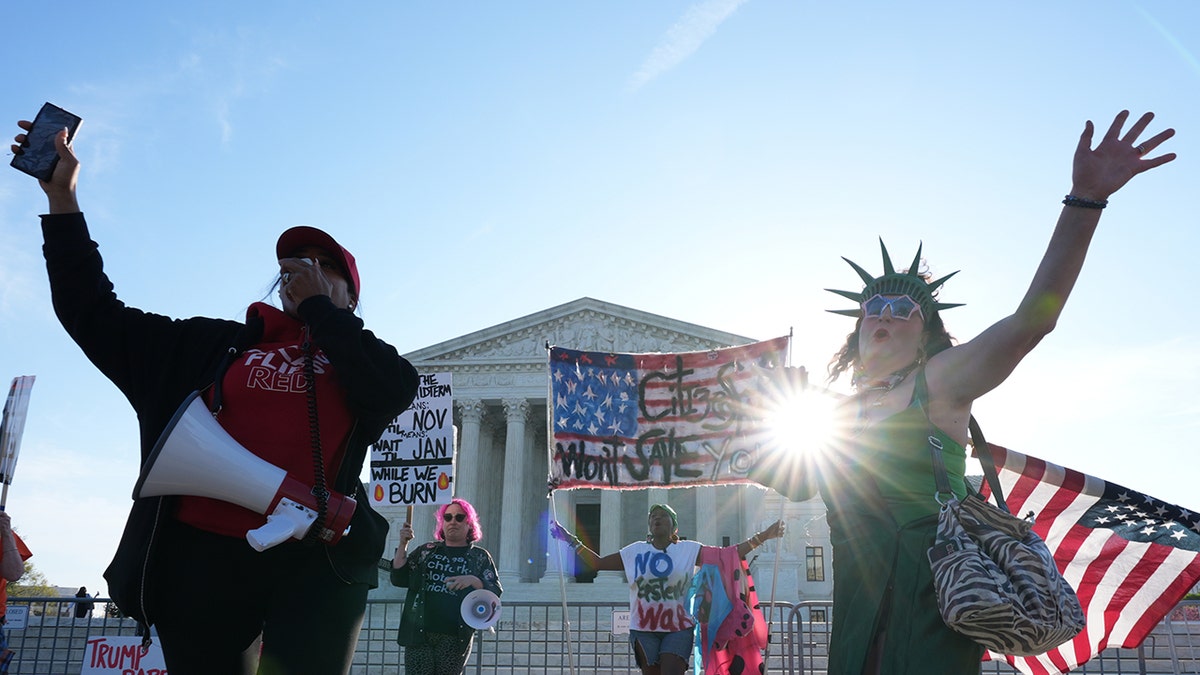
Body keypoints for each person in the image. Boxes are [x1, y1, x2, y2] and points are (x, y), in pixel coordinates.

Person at [750, 110, 1176, 675]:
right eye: (871, 309)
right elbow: (786, 478)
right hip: (856, 606)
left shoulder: (940, 382)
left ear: (925, 333)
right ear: (856, 330)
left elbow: (1030, 323)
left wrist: (1085, 201)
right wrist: (762, 418)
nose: (884, 317)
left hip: (937, 595)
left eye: (903, 310)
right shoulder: (832, 417)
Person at [13, 120, 420, 675]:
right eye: (297, 261)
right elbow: (96, 314)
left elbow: (395, 388)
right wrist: (63, 201)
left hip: (318, 562)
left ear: (351, 295)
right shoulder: (208, 346)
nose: (308, 269)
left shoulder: (359, 356)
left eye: (327, 267)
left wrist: (323, 313)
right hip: (202, 556)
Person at [551, 504, 785, 675]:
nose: (657, 518)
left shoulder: (688, 550)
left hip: (678, 629)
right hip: (643, 630)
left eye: (663, 516)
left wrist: (763, 536)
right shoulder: (634, 551)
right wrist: (570, 540)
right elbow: (598, 563)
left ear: (674, 527)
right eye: (653, 516)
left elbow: (727, 555)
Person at [390, 498, 502, 675]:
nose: (453, 522)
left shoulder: (479, 557)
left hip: (455, 636)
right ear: (442, 523)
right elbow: (399, 578)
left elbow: (494, 591)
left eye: (459, 517)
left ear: (469, 523)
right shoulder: (426, 551)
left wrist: (473, 580)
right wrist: (403, 544)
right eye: (447, 517)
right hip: (419, 634)